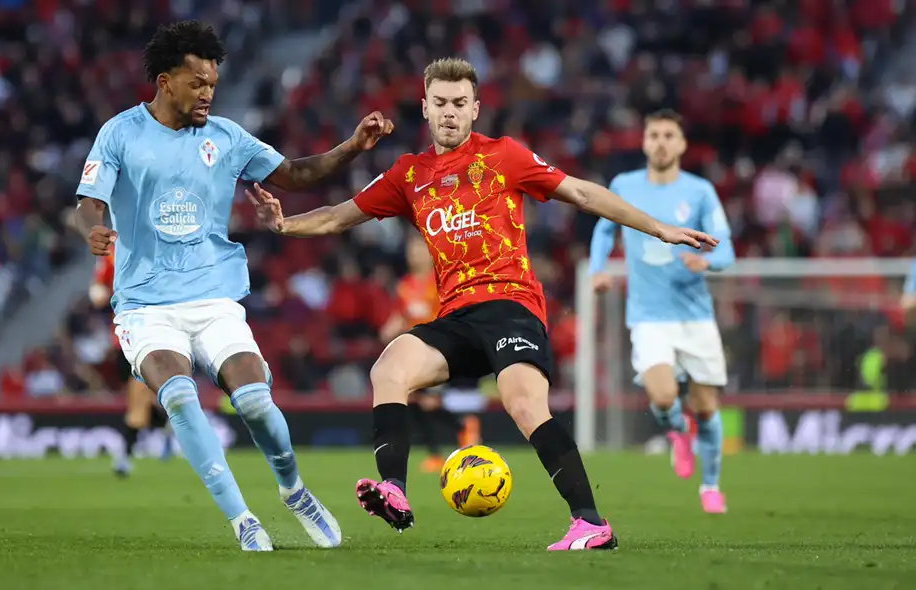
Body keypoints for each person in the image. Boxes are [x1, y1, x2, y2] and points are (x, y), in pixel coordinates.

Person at [247, 58, 717, 551]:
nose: (449, 113)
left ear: (475, 109)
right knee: (390, 367)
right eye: (440, 104)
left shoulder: (504, 156)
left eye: (459, 104)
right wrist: (284, 224)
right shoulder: (409, 174)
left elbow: (580, 191)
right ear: (425, 108)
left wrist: (659, 228)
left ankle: (590, 522)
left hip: (511, 304)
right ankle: (395, 489)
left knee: (522, 401)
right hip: (456, 317)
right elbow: (337, 218)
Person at [74, 20, 394, 552]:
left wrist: (352, 148)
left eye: (213, 85)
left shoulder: (226, 137)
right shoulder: (120, 133)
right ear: (164, 81)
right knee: (178, 396)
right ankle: (242, 518)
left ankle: (294, 490)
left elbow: (294, 172)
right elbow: (88, 200)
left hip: (214, 297)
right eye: (197, 82)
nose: (207, 93)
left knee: (254, 403)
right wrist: (95, 230)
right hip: (146, 305)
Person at [589, 109, 735, 514]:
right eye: (654, 134)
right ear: (644, 141)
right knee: (662, 393)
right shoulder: (624, 185)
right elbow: (604, 229)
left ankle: (711, 486)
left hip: (695, 315)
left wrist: (708, 262)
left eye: (669, 135)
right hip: (648, 316)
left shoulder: (701, 191)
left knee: (706, 406)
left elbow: (728, 249)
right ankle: (677, 431)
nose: (661, 142)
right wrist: (599, 269)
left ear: (683, 144)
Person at [379, 232, 466, 473]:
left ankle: (460, 428)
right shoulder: (405, 285)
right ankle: (440, 449)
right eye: (411, 250)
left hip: (436, 349)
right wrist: (389, 329)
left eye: (419, 250)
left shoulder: (439, 281)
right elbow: (401, 316)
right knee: (416, 401)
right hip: (413, 351)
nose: (414, 255)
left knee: (427, 402)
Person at [89, 245, 173, 477]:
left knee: (138, 400)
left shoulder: (158, 249)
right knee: (143, 400)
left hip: (151, 337)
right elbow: (98, 288)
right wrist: (99, 293)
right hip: (123, 338)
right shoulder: (112, 253)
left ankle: (124, 456)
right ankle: (166, 422)